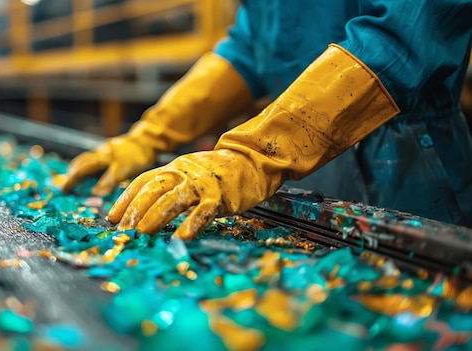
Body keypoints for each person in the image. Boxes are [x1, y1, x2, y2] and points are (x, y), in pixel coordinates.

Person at [62, 1, 472, 240]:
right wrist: (150, 135)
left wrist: (253, 155)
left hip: (403, 163)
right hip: (299, 161)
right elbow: (248, 48)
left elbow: (400, 40)